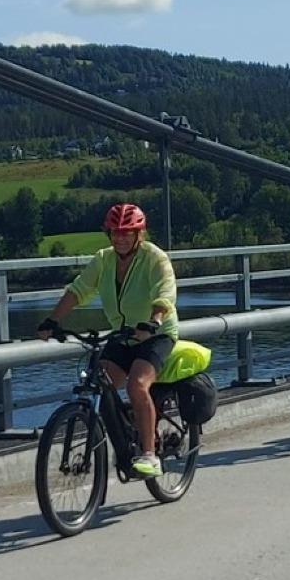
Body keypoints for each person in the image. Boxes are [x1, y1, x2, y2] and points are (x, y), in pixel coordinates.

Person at [38, 203, 178, 477]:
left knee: (137, 385)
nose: (120, 238)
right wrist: (52, 321)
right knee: (101, 383)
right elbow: (79, 290)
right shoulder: (104, 259)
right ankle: (126, 432)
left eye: (127, 232)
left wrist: (155, 319)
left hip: (156, 334)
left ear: (140, 234)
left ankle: (150, 455)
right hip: (122, 335)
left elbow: (165, 290)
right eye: (115, 232)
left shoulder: (155, 258)